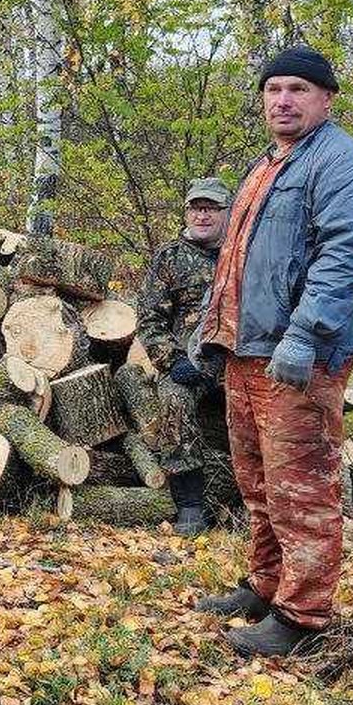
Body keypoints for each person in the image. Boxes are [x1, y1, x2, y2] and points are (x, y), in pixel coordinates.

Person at [191, 45, 353, 658]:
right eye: (274, 89)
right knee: (257, 481)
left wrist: (304, 335)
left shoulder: (341, 163)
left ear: (326, 99)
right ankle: (267, 584)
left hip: (299, 358)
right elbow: (237, 258)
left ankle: (301, 619)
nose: (284, 100)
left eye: (298, 89)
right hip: (247, 353)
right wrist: (210, 328)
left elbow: (345, 257)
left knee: (301, 486)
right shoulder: (268, 164)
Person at [134, 177, 232, 537]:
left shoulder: (243, 255)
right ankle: (190, 505)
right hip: (186, 363)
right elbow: (149, 317)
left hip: (236, 360)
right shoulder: (170, 257)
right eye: (195, 207)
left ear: (227, 212)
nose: (202, 215)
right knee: (173, 400)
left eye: (210, 208)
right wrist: (171, 360)